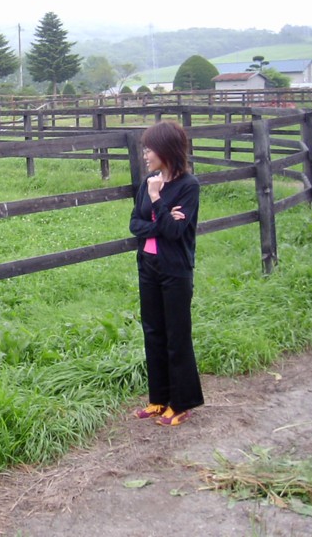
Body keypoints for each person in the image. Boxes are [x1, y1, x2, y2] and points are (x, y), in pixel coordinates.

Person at [129, 120, 204, 426]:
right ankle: (158, 399)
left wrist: (158, 199)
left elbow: (175, 232)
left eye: (150, 149)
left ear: (166, 150)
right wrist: (161, 220)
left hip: (175, 270)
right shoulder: (148, 182)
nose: (145, 154)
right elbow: (135, 224)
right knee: (153, 332)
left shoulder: (188, 186)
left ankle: (182, 403)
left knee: (177, 335)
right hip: (148, 267)